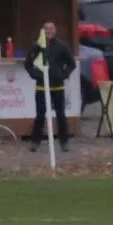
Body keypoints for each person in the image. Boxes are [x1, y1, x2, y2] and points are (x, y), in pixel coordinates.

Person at [24, 20, 76, 149]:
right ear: (42, 31)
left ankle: (64, 142)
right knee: (40, 115)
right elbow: (28, 63)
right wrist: (35, 75)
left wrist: (63, 75)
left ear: (55, 31)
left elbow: (72, 64)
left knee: (61, 115)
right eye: (46, 29)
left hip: (58, 86)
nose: (49, 31)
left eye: (51, 28)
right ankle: (35, 142)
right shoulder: (38, 47)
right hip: (41, 87)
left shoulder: (62, 47)